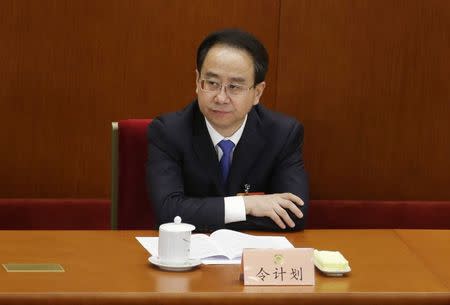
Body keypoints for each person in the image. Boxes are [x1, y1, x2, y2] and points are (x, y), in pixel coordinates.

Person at [146, 29, 308, 232]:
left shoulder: (283, 134)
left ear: (257, 93)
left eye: (234, 87)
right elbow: (168, 213)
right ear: (197, 82)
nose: (221, 98)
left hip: (252, 255)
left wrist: (202, 214)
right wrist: (246, 206)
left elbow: (293, 215)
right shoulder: (168, 132)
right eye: (212, 83)